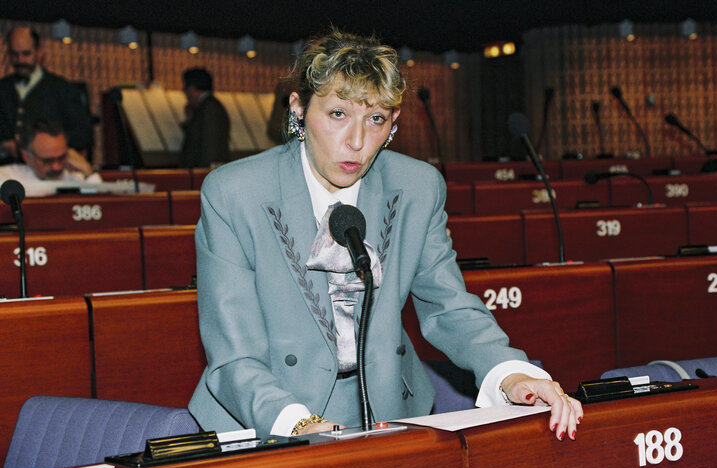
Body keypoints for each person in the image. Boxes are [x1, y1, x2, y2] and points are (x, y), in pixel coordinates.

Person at [189, 30, 582, 441]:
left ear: (392, 122)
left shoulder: (417, 186)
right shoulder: (235, 193)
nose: (357, 142)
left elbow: (449, 307)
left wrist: (510, 373)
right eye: (338, 114)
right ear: (299, 108)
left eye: (375, 119)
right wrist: (298, 424)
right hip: (264, 415)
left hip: (387, 411)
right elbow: (234, 355)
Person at [0, 27, 93, 163]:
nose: (20, 60)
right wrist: (3, 147)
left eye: (26, 54)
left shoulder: (63, 89)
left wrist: (46, 145)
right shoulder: (2, 88)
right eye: (15, 54)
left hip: (49, 173)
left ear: (39, 52)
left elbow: (83, 136)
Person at [0, 118, 101, 197]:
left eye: (62, 158)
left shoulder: (74, 176)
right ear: (26, 156)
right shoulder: (5, 178)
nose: (56, 167)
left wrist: (88, 172)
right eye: (48, 161)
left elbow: (101, 207)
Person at [179, 67, 230, 168]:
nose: (184, 92)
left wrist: (203, 172)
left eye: (185, 88)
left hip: (204, 170)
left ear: (193, 89)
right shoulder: (209, 106)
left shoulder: (209, 108)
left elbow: (209, 144)